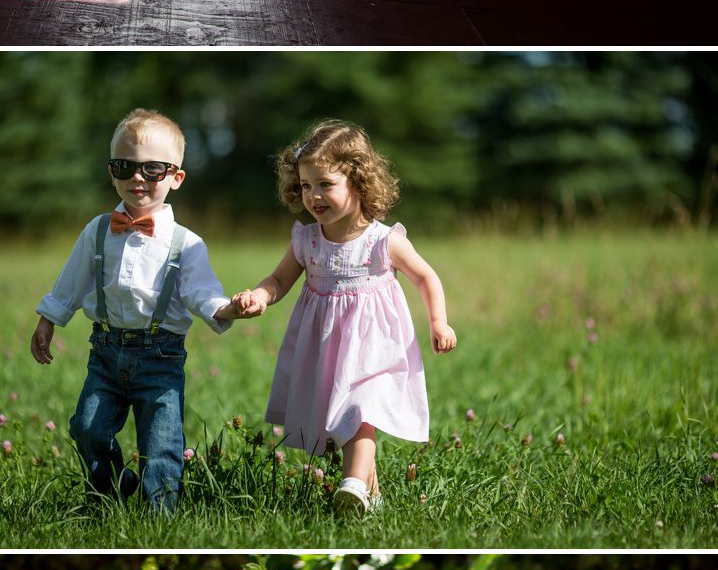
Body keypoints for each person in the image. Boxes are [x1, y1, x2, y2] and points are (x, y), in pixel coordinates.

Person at [230, 119, 455, 518]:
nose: (313, 195)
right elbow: (280, 279)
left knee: (361, 408)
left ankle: (351, 485)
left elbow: (426, 276)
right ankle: (371, 497)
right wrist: (261, 296)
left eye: (325, 184)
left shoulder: (384, 241)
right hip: (325, 346)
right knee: (340, 420)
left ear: (358, 181)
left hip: (374, 347)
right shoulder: (307, 239)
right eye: (305, 185)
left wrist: (438, 322)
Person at [31, 106, 240, 513]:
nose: (137, 178)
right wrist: (49, 319)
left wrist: (228, 309)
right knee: (87, 428)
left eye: (153, 169)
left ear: (176, 177)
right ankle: (113, 492)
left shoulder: (187, 242)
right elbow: (71, 281)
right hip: (105, 351)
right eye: (124, 167)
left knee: (161, 442)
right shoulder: (96, 230)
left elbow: (201, 292)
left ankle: (160, 514)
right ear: (112, 172)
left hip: (161, 357)